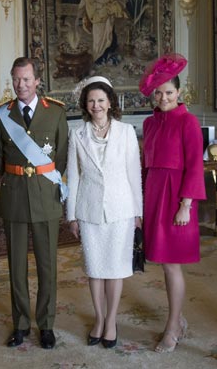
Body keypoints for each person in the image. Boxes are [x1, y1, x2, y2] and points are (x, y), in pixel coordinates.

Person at [0, 57, 68, 350]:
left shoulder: (56, 114)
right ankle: (21, 323)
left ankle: (46, 325)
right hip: (14, 199)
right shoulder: (2, 115)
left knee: (48, 265)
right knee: (16, 266)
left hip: (45, 198)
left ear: (37, 80)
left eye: (26, 79)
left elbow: (59, 157)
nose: (20, 85)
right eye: (16, 79)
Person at [66, 75, 143, 349]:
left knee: (115, 269)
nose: (96, 105)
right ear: (85, 105)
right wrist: (71, 215)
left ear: (110, 102)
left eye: (101, 100)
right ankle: (98, 319)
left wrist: (137, 212)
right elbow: (73, 177)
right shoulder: (77, 134)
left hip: (121, 210)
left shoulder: (126, 132)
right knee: (95, 270)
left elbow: (134, 174)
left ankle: (111, 321)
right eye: (91, 101)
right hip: (88, 211)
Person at [138, 53, 206, 353]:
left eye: (169, 92)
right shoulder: (149, 123)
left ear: (179, 93)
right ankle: (176, 321)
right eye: (159, 92)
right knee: (161, 262)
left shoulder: (188, 122)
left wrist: (186, 205)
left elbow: (194, 166)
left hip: (179, 199)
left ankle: (173, 326)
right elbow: (144, 165)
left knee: (171, 266)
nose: (163, 97)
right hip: (154, 195)